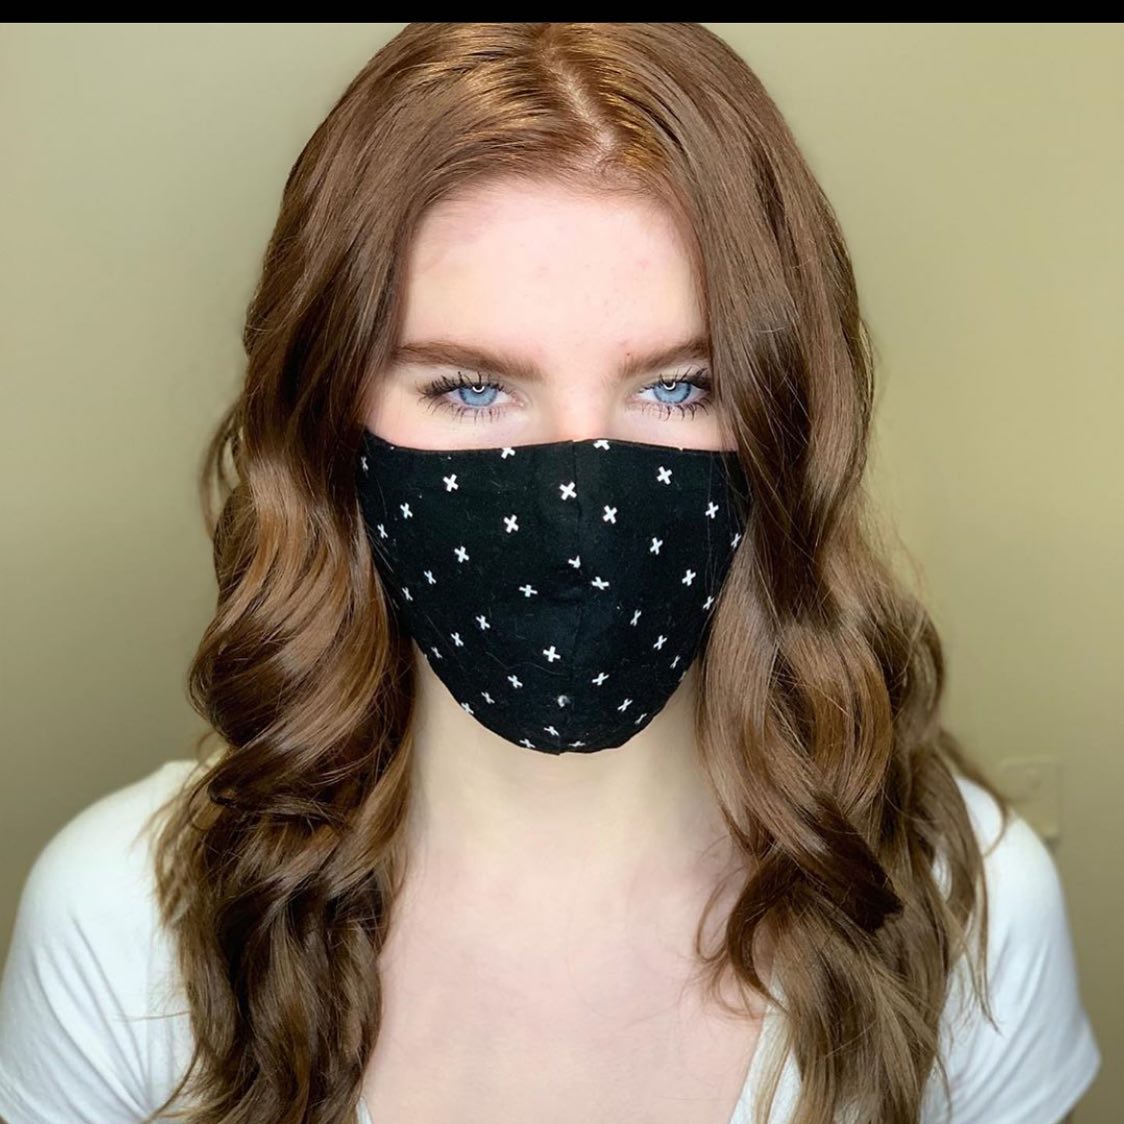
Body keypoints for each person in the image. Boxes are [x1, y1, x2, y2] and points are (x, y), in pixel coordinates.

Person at [0, 22, 1101, 1124]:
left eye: (679, 386)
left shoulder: (964, 905)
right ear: (329, 423)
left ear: (782, 418)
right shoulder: (120, 928)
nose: (575, 504)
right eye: (471, 389)